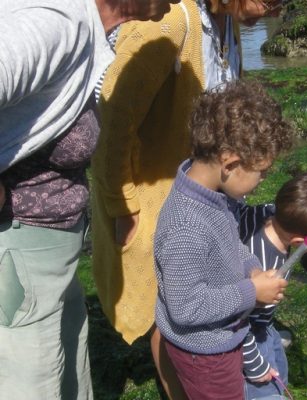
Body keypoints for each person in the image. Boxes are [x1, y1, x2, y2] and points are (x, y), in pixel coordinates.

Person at [90, 0, 283, 397]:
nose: (270, 10)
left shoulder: (226, 26)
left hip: (206, 189)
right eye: (267, 0)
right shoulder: (170, 23)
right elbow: (112, 121)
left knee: (173, 303)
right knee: (161, 313)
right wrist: (120, 205)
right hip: (152, 197)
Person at [0, 0, 179, 398]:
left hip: (54, 257)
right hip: (18, 254)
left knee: (72, 379)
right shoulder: (57, 21)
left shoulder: (95, 28)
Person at [153, 80, 294, 399]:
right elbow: (187, 307)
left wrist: (252, 269)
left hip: (225, 335)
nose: (262, 182)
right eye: (261, 172)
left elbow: (231, 244)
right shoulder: (185, 225)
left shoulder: (215, 197)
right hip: (205, 353)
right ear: (230, 163)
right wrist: (252, 291)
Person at [238, 172, 307, 399]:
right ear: (299, 243)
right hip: (248, 334)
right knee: (265, 388)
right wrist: (254, 364)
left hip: (261, 321)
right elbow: (235, 324)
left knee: (279, 362)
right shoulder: (263, 268)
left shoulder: (271, 211)